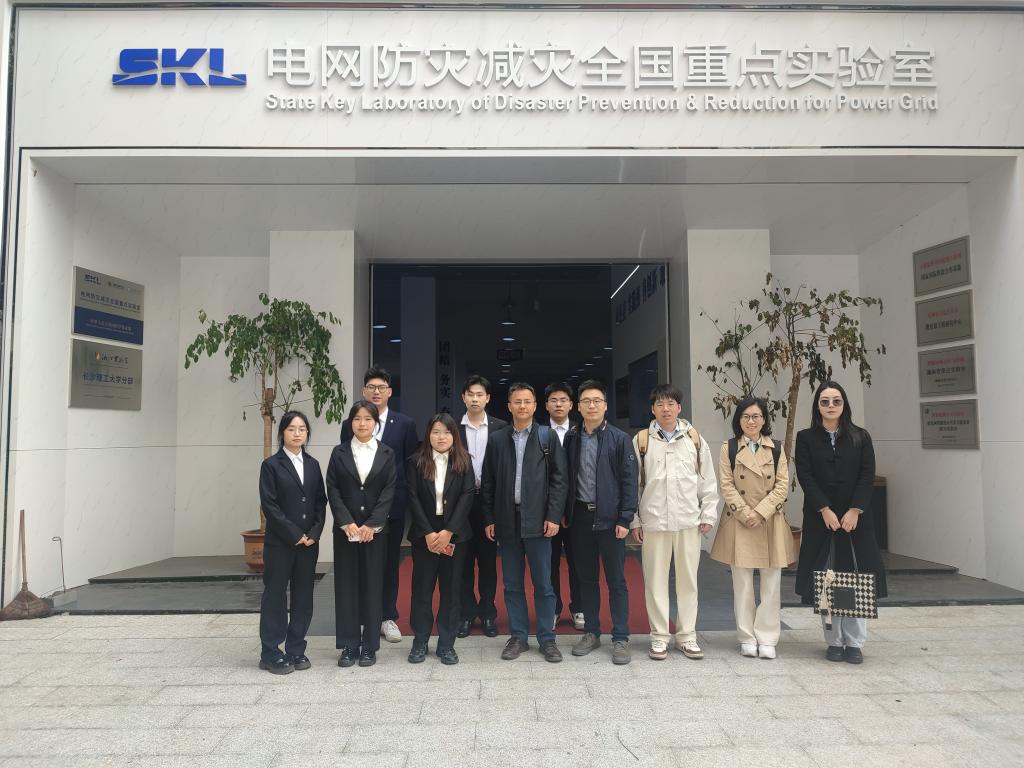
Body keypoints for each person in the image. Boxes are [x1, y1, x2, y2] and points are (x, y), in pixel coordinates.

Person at [795, 380, 886, 665]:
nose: (831, 406)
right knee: (828, 579)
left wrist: (855, 510)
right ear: (817, 406)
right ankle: (834, 641)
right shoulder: (806, 438)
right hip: (821, 519)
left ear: (844, 404)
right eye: (825, 401)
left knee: (857, 579)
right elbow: (805, 476)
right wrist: (824, 509)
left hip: (855, 521)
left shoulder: (861, 436)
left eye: (836, 401)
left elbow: (867, 475)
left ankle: (855, 642)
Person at [481, 382, 568, 663]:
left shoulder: (547, 436)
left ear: (534, 406)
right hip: (507, 520)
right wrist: (489, 518)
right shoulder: (497, 439)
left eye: (527, 401)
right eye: (517, 401)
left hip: (539, 521)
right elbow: (488, 482)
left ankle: (547, 638)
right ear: (509, 406)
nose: (522, 406)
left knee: (543, 583)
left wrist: (553, 516)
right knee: (512, 584)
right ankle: (518, 636)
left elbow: (559, 480)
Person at [631, 384, 720, 661]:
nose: (665, 409)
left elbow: (707, 480)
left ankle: (687, 636)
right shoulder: (642, 441)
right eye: (660, 404)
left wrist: (708, 514)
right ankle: (659, 637)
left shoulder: (694, 439)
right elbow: (633, 484)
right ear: (652, 409)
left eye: (670, 403)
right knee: (654, 582)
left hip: (688, 521)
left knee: (688, 582)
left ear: (679, 408)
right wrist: (635, 520)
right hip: (654, 521)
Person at [710, 397, 796, 659]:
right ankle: (747, 636)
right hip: (740, 521)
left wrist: (760, 512)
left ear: (764, 419)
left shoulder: (777, 448)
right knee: (743, 584)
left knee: (771, 584)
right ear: (739, 420)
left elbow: (782, 485)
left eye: (756, 416)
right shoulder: (729, 448)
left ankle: (767, 637)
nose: (751, 421)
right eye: (746, 416)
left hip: (769, 521)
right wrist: (746, 513)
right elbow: (726, 485)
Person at [339, 366, 419, 644]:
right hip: (357, 510)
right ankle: (364, 618)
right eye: (371, 387)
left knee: (388, 563)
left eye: (381, 387)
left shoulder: (405, 424)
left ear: (390, 392)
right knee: (359, 565)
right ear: (364, 391)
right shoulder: (350, 424)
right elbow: (344, 465)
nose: (376, 392)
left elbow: (410, 465)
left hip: (392, 507)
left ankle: (387, 617)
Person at [564, 380, 638, 664]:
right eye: (586, 401)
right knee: (586, 579)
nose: (591, 406)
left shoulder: (620, 439)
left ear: (605, 406)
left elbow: (629, 481)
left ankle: (621, 637)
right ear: (578, 406)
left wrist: (625, 517)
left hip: (610, 519)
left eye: (596, 401)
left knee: (616, 580)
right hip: (581, 517)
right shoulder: (572, 437)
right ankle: (592, 632)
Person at [327, 400, 398, 668]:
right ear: (350, 423)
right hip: (346, 532)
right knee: (346, 586)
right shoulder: (339, 453)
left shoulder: (387, 453)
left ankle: (369, 645)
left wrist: (372, 524)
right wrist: (346, 522)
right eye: (357, 419)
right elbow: (332, 488)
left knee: (372, 585)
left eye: (368, 419)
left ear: (375, 423)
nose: (362, 423)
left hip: (375, 533)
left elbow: (389, 490)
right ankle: (348, 645)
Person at [257, 411, 327, 674]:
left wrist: (314, 533)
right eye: (291, 429)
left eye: (302, 429)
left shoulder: (313, 464)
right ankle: (270, 652)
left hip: (308, 545)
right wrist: (295, 534)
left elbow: (320, 501)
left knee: (303, 597)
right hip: (281, 543)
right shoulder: (271, 465)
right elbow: (270, 505)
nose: (297, 433)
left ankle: (296, 648)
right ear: (282, 433)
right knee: (275, 596)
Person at [407, 413, 476, 665]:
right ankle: (420, 641)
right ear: (428, 435)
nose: (441, 437)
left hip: (455, 536)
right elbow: (412, 497)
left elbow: (468, 495)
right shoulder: (416, 462)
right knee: (422, 591)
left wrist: (448, 532)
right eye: (435, 432)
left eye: (446, 432)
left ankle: (447, 644)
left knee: (451, 591)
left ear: (454, 435)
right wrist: (428, 532)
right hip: (424, 535)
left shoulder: (464, 461)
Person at [457, 375, 508, 639]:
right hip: (462, 504)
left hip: (491, 503)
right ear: (463, 397)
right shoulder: (453, 428)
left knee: (488, 562)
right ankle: (466, 614)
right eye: (470, 394)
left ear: (488, 398)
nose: (475, 399)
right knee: (463, 561)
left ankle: (488, 613)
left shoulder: (501, 428)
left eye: (480, 395)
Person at [544, 381, 584, 631]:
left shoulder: (582, 431)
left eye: (563, 400)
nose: (558, 404)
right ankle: (554, 608)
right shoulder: (538, 432)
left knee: (578, 560)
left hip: (576, 509)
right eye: (553, 400)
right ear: (546, 405)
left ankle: (579, 607)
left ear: (571, 405)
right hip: (546, 511)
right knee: (549, 563)